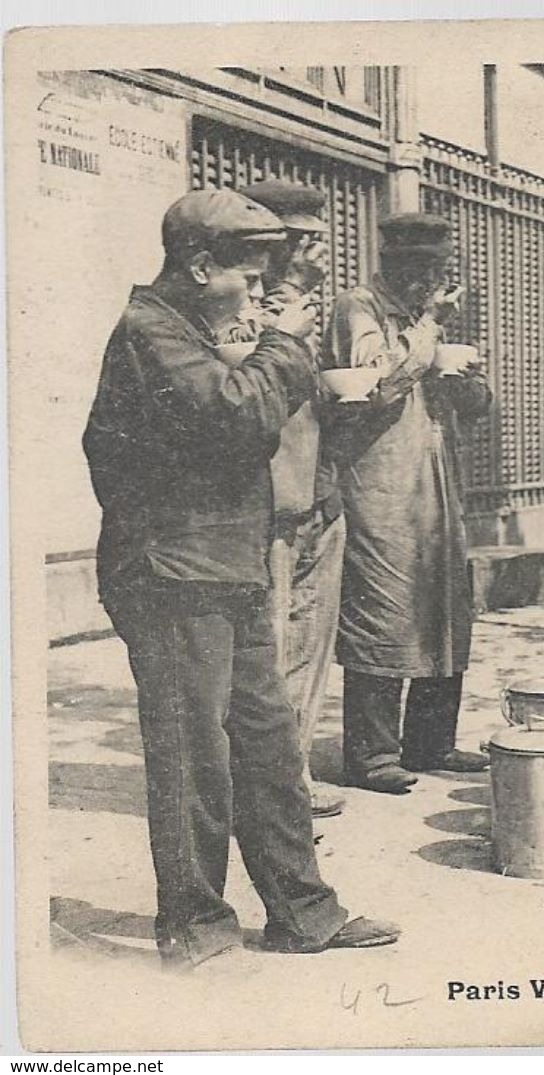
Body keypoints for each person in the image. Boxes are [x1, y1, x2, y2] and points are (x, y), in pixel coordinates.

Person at [83, 189, 399, 969]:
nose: (258, 296)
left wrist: (271, 321)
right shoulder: (149, 333)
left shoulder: (188, 323)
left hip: (224, 564)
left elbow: (240, 390)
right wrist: (285, 343)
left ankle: (303, 912)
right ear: (198, 268)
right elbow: (235, 414)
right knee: (195, 758)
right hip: (171, 573)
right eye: (248, 279)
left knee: (267, 747)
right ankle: (196, 928)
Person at [325, 213, 493, 795]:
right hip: (381, 485)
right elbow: (379, 382)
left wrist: (467, 382)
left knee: (445, 605)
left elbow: (476, 404)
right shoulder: (359, 307)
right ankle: (371, 756)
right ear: (395, 262)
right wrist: (428, 327)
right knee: (385, 607)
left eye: (440, 267)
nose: (433, 278)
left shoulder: (433, 318)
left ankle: (431, 742)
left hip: (438, 484)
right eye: (422, 267)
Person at [224, 179, 347, 819]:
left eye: (312, 242)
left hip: (314, 492)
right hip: (266, 505)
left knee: (305, 650)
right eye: (296, 242)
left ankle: (289, 782)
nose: (308, 254)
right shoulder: (234, 308)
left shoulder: (299, 307)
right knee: (267, 657)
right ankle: (264, 790)